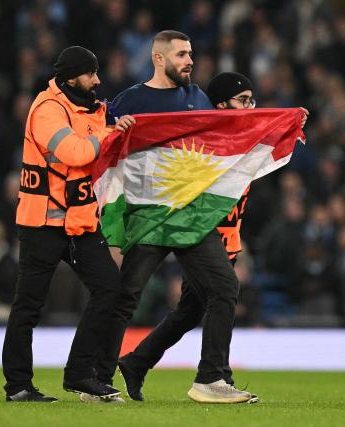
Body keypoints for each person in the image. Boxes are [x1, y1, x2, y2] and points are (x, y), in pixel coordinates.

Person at [116, 72, 307, 402]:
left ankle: (137, 362)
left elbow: (268, 144)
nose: (250, 106)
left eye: (252, 100)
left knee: (190, 310)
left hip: (226, 237)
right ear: (221, 105)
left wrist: (288, 123)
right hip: (202, 235)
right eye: (243, 100)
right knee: (224, 290)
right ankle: (213, 376)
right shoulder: (205, 142)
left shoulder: (241, 137)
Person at [101, 31, 254, 404]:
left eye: (191, 54)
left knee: (222, 290)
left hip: (188, 217)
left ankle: (211, 378)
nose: (189, 60)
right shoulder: (130, 100)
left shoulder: (198, 98)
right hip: (150, 216)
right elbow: (102, 148)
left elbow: (216, 145)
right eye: (182, 54)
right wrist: (112, 133)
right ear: (159, 58)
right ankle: (99, 376)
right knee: (126, 296)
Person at [2, 46, 135, 403]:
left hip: (78, 222)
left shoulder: (89, 110)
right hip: (42, 222)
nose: (98, 80)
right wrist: (107, 133)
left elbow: (98, 140)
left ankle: (79, 376)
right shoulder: (47, 109)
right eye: (91, 74)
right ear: (72, 77)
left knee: (109, 289)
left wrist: (112, 129)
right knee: (29, 304)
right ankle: (17, 386)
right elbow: (75, 153)